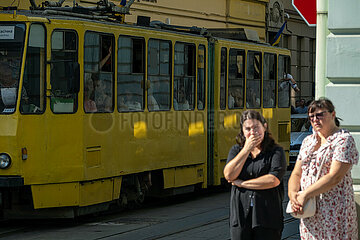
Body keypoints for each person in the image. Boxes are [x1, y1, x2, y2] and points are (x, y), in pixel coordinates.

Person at [288, 97, 358, 239]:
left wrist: (304, 194)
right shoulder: (308, 141)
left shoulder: (343, 140)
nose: (315, 119)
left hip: (334, 211)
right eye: (311, 116)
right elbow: (296, 173)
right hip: (310, 210)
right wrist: (293, 195)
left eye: (319, 115)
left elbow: (334, 177)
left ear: (333, 114)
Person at [223, 110, 287, 240]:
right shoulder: (236, 150)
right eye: (247, 129)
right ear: (242, 131)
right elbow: (229, 175)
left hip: (267, 217)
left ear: (265, 126)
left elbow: (272, 180)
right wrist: (246, 150)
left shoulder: (276, 151)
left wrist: (242, 183)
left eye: (256, 127)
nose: (252, 132)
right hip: (241, 217)